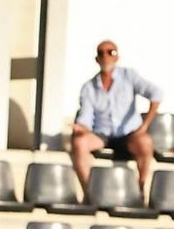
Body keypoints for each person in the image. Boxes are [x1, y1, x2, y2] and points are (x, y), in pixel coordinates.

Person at [69, 39, 163, 193]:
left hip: (129, 134)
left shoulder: (129, 76)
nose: (106, 56)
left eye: (110, 52)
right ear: (96, 59)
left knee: (145, 142)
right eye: (101, 53)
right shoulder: (89, 87)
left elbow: (156, 94)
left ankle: (140, 188)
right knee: (79, 143)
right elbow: (86, 116)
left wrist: (144, 125)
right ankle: (89, 193)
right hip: (102, 134)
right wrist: (82, 128)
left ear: (117, 56)